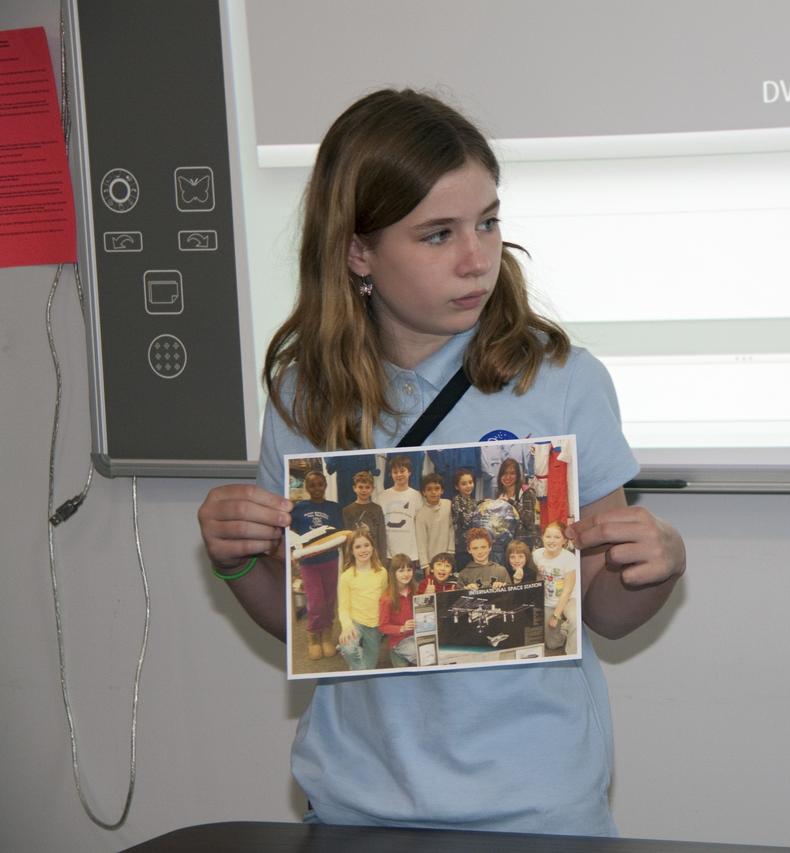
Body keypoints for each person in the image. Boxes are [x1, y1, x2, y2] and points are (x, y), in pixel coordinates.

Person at [195, 88, 685, 834]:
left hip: (537, 805)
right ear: (359, 250)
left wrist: (653, 567)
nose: (475, 257)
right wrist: (234, 560)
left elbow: (604, 612)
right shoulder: (305, 394)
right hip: (358, 800)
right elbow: (308, 624)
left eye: (489, 222)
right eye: (437, 235)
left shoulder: (559, 380)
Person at [290, 470, 343, 660]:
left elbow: (339, 534)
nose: (316, 488)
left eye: (320, 484)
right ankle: (313, 637)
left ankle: (327, 636)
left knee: (329, 600)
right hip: (308, 562)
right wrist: (292, 554)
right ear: (306, 487)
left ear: (325, 485)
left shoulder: (334, 508)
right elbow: (292, 535)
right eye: (312, 485)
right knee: (315, 602)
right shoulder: (298, 508)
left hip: (330, 560)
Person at [336, 531, 390, 671]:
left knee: (369, 667)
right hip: (356, 623)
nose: (363, 550)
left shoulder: (382, 572)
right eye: (358, 547)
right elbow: (343, 607)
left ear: (372, 547)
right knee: (348, 649)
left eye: (366, 545)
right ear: (352, 551)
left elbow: (384, 600)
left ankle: (360, 664)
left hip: (375, 625)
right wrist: (347, 626)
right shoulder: (346, 576)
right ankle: (354, 655)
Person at [533, 521, 578, 656]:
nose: (551, 541)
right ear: (542, 538)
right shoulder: (536, 555)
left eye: (557, 537)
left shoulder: (569, 558)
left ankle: (572, 654)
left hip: (568, 598)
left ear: (564, 540)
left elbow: (567, 590)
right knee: (552, 645)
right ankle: (564, 629)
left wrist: (556, 615)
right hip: (548, 601)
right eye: (548, 536)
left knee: (575, 619)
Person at [378, 455, 423, 565]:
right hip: (389, 554)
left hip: (410, 553)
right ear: (391, 474)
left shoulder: (416, 496)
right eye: (395, 472)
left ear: (409, 472)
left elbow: (419, 524)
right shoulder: (382, 496)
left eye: (402, 471)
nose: (399, 475)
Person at [379, 554, 418, 668]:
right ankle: (395, 652)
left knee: (434, 652)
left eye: (409, 570)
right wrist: (402, 628)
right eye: (401, 571)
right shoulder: (386, 598)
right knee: (422, 656)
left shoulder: (415, 590)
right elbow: (382, 626)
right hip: (399, 640)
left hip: (417, 635)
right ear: (393, 573)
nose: (406, 574)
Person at [496, 456, 540, 550]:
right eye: (504, 473)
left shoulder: (527, 491)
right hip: (504, 542)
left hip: (523, 543)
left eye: (512, 473)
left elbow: (528, 521)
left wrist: (511, 502)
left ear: (518, 475)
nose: (508, 477)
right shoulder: (500, 493)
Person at [342, 470, 387, 558]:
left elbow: (381, 537)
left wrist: (383, 560)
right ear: (354, 488)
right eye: (360, 487)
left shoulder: (377, 509)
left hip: (374, 556)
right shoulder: (347, 511)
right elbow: (346, 539)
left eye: (367, 487)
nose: (364, 490)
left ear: (372, 489)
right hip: (355, 556)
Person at [414, 472, 453, 569]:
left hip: (448, 557)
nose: (433, 492)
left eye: (437, 488)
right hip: (431, 561)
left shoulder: (448, 505)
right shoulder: (421, 514)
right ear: (424, 492)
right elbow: (421, 542)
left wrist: (451, 553)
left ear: (442, 490)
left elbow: (452, 530)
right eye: (429, 489)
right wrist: (425, 564)